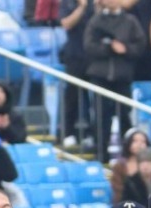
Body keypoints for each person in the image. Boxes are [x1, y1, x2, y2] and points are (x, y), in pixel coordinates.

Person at [84, 0, 147, 153]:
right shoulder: (96, 20)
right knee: (100, 116)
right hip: (100, 76)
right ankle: (101, 151)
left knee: (124, 114)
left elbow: (140, 46)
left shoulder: (130, 21)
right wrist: (108, 47)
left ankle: (127, 152)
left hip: (122, 76)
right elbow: (88, 46)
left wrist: (125, 49)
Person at [60, 0, 95, 146]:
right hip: (74, 55)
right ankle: (69, 132)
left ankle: (91, 133)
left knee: (94, 99)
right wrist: (81, 7)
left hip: (94, 56)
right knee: (72, 96)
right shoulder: (67, 3)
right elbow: (67, 24)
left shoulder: (96, 3)